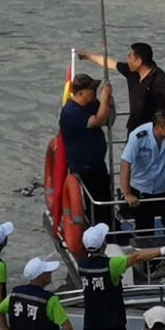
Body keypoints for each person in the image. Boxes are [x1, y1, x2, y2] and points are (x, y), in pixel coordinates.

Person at [73, 223, 165, 330]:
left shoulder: (81, 265)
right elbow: (136, 257)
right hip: (113, 324)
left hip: (91, 324)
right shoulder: (112, 265)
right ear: (104, 244)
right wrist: (162, 251)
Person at [78, 41, 165, 134]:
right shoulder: (131, 71)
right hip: (134, 128)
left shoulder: (160, 79)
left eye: (130, 56)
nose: (128, 59)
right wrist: (87, 56)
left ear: (139, 61)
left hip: (153, 131)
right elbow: (109, 63)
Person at [118, 107, 165, 244]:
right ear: (158, 128)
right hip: (141, 190)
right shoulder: (138, 136)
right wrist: (127, 193)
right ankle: (149, 263)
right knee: (145, 231)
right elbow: (125, 163)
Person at [60, 71, 117, 228]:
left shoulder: (92, 104)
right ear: (80, 93)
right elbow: (97, 121)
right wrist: (104, 99)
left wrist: (109, 103)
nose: (94, 94)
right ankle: (98, 229)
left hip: (98, 163)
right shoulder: (71, 112)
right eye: (91, 91)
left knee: (105, 196)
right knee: (95, 202)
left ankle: (110, 224)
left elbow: (108, 120)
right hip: (84, 166)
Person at [7, 257, 81, 330]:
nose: (51, 273)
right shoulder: (50, 300)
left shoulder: (15, 294)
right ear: (40, 277)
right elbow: (67, 327)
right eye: (47, 271)